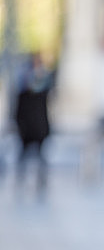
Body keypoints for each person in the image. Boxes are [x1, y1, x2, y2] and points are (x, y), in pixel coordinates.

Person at [15, 54, 52, 197]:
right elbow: (18, 114)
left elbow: (45, 114)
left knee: (40, 158)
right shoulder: (24, 95)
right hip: (28, 131)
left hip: (38, 130)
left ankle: (40, 181)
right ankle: (22, 180)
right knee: (23, 157)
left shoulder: (42, 94)